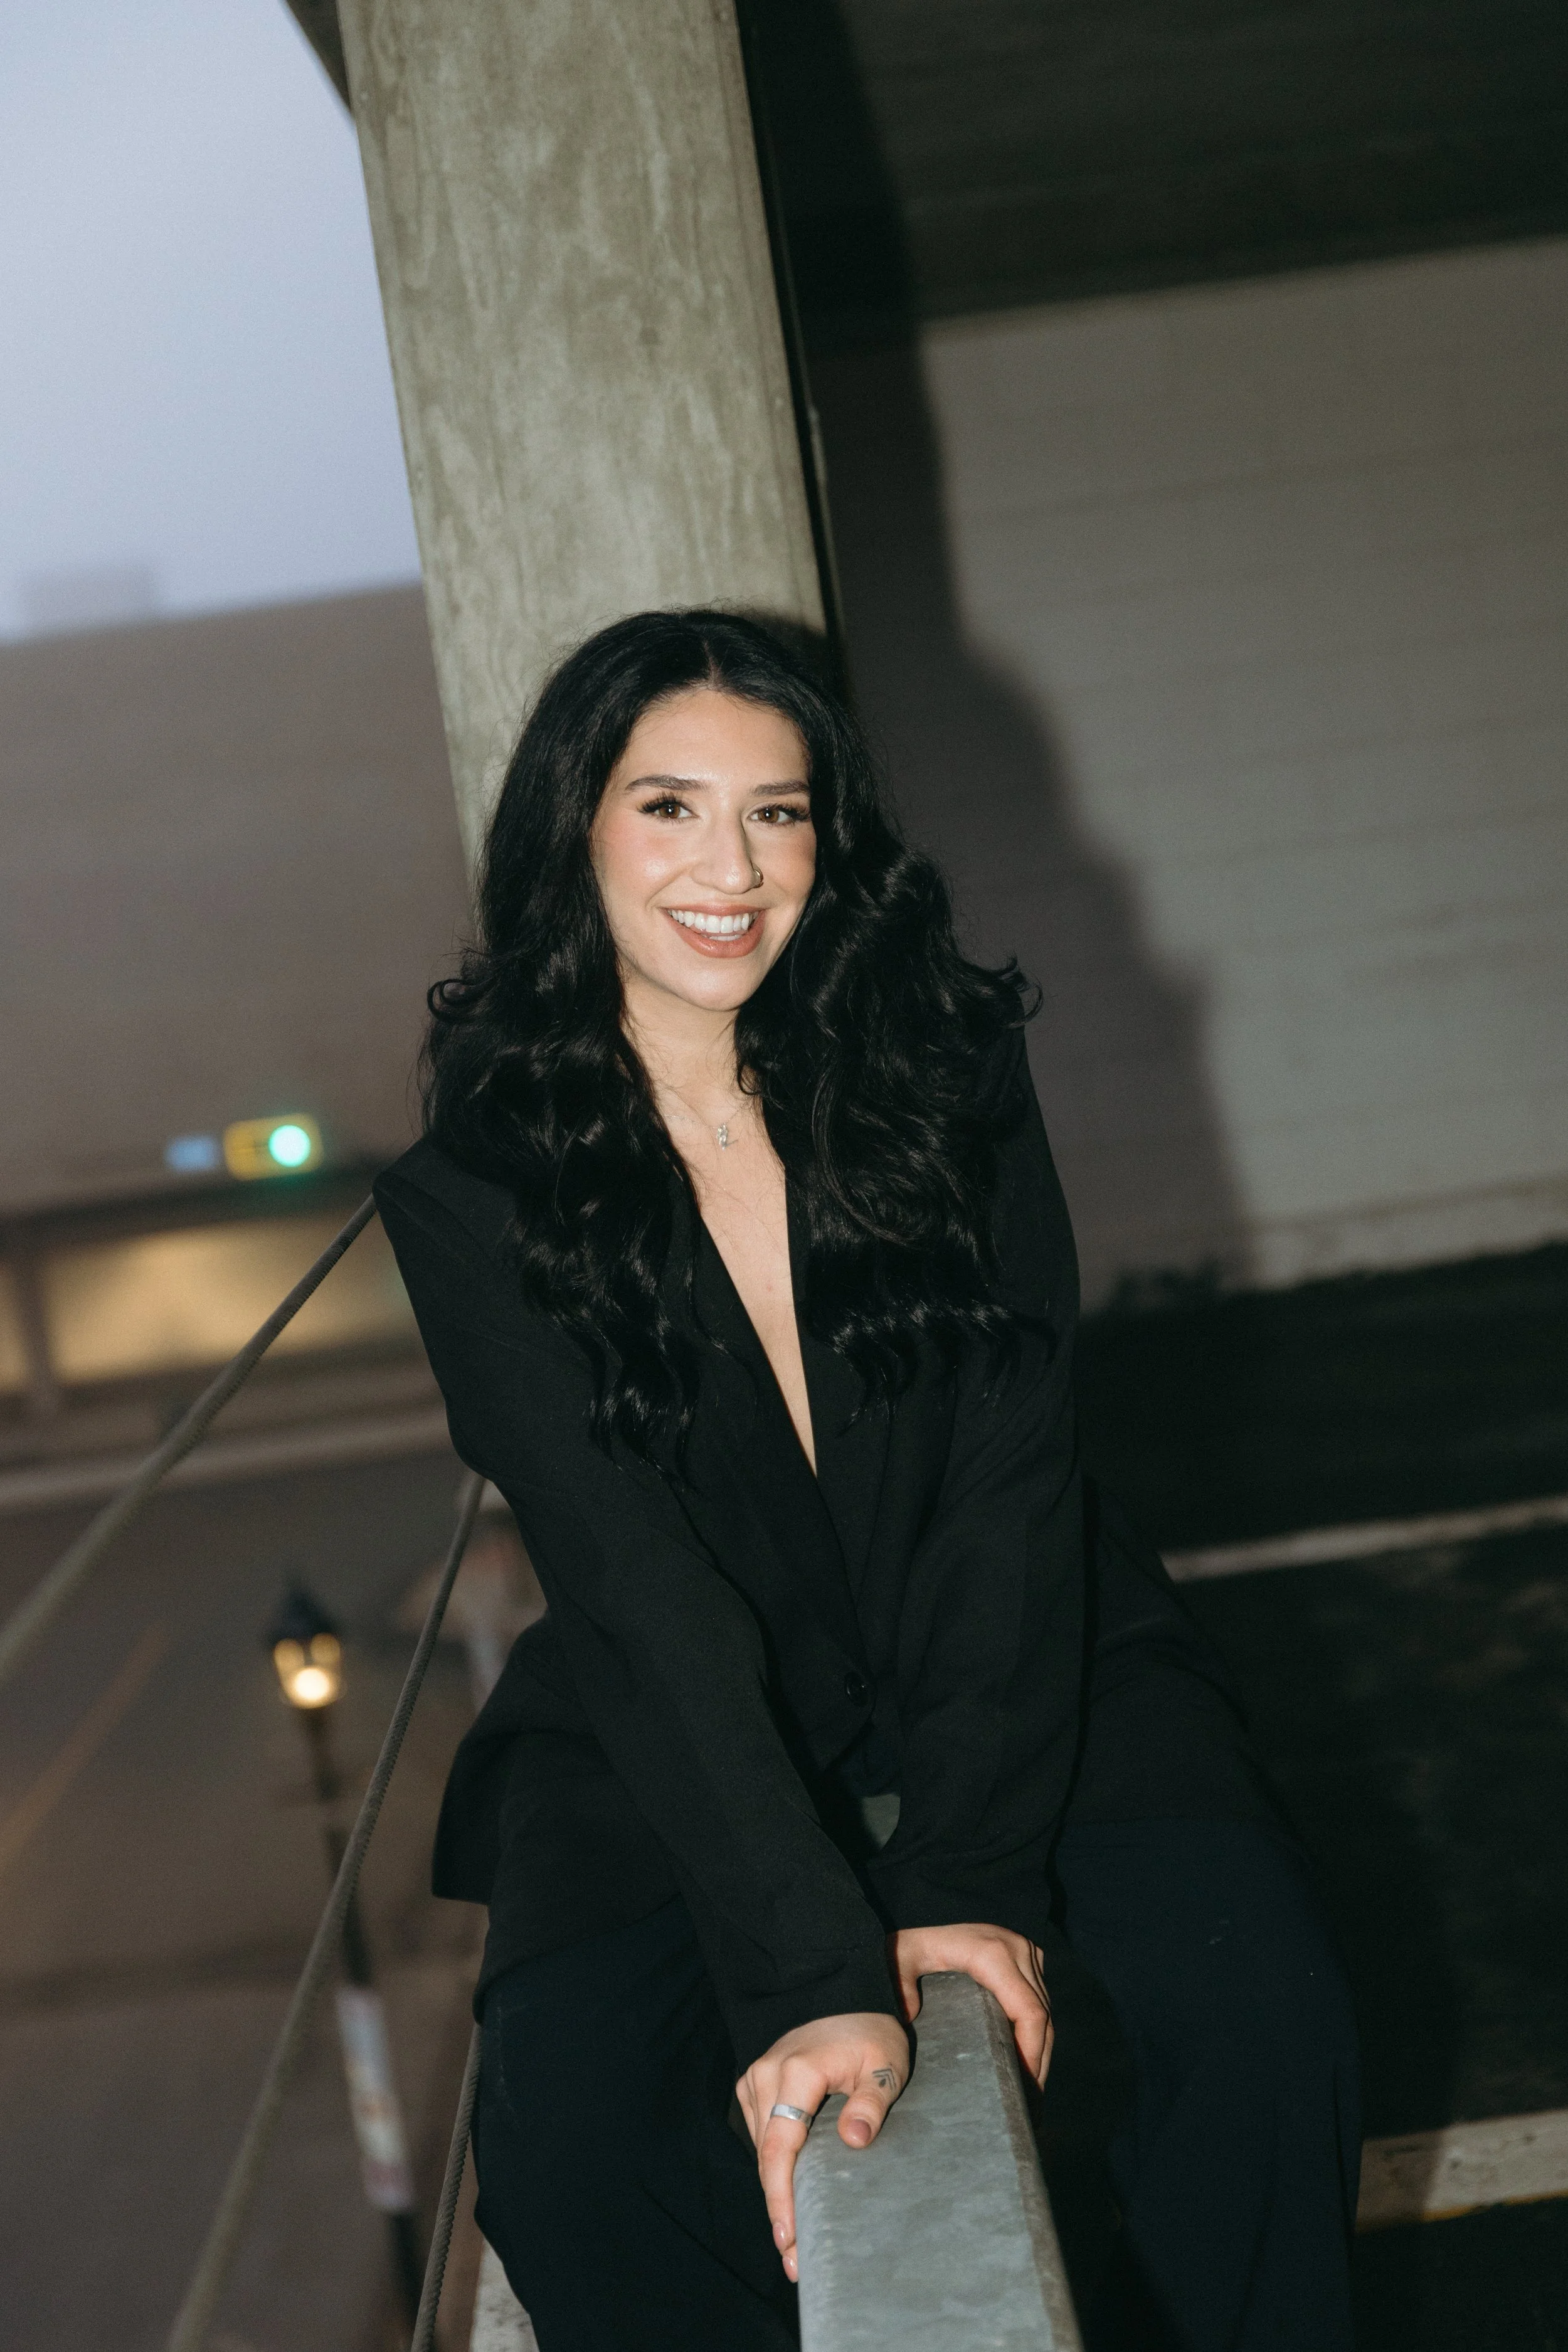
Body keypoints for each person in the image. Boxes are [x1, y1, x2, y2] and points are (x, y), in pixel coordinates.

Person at [375, 610, 1360, 2352]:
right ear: (571, 829)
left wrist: (968, 1868)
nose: (731, 867)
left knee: (1256, 1994)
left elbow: (1009, 1474)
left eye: (782, 810)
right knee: (575, 2140)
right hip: (662, 1699)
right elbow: (632, 1581)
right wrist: (811, 1975)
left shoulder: (942, 1074)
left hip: (1013, 1632)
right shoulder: (480, 1191)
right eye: (668, 805)